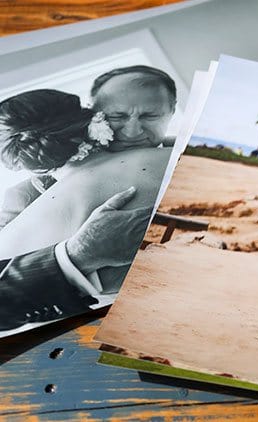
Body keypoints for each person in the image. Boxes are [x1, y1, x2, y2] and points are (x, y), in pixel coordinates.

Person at [0, 65, 177, 332]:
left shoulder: (11, 239)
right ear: (92, 116)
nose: (132, 131)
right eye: (117, 116)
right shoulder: (19, 202)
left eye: (150, 115)